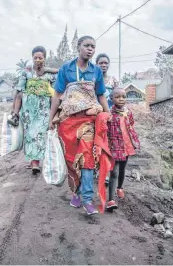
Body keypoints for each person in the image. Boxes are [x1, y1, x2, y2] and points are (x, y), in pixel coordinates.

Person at [49, 35, 113, 215]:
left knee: (87, 158)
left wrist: (108, 115)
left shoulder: (96, 71)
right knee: (71, 159)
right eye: (87, 45)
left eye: (93, 46)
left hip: (88, 121)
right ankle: (75, 192)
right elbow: (57, 95)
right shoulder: (66, 69)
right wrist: (50, 119)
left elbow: (100, 95)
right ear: (78, 47)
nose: (90, 49)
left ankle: (87, 198)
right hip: (67, 122)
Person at [17, 46, 57, 174]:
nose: (38, 60)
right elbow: (19, 91)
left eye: (41, 57)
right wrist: (15, 111)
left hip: (44, 109)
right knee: (30, 134)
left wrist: (56, 111)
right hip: (28, 109)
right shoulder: (26, 73)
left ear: (45, 58)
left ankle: (37, 161)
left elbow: (56, 93)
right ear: (32, 58)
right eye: (35, 58)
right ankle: (34, 162)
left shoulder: (50, 74)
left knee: (41, 133)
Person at [106, 87, 140, 211]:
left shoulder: (128, 112)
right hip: (115, 146)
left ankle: (120, 187)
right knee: (114, 172)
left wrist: (134, 141)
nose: (121, 99)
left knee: (122, 169)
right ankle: (110, 200)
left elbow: (131, 125)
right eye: (117, 97)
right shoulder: (109, 114)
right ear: (111, 99)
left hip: (126, 144)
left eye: (123, 97)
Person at [95, 53, 118, 185]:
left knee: (108, 143)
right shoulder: (93, 79)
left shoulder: (113, 80)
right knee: (97, 143)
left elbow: (118, 97)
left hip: (110, 116)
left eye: (105, 63)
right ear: (96, 64)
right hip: (95, 116)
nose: (103, 65)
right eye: (101, 63)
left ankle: (106, 172)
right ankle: (96, 169)